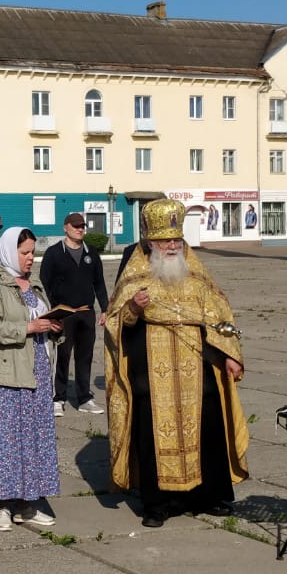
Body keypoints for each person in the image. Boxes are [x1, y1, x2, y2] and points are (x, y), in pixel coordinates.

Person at [104, 199, 249, 528]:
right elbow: (115, 320)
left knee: (208, 429)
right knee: (152, 435)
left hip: (198, 366)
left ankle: (209, 497)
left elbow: (219, 314)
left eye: (176, 240)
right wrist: (133, 309)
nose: (172, 246)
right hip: (151, 372)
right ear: (150, 242)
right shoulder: (135, 275)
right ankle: (158, 505)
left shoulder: (195, 273)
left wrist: (230, 354)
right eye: (164, 241)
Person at [0, 226, 63, 531]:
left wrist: (54, 327)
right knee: (4, 441)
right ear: (9, 252)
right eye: (24, 252)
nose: (30, 258)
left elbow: (42, 320)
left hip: (36, 372)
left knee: (33, 440)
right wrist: (28, 328)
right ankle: (1, 504)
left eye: (32, 252)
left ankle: (26, 503)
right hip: (5, 376)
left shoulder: (33, 285)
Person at [40, 212, 109, 417]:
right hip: (64, 313)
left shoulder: (91, 253)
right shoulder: (54, 253)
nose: (80, 229)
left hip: (86, 312)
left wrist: (105, 308)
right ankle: (58, 398)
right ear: (65, 227)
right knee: (62, 356)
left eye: (82, 226)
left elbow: (99, 282)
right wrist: (53, 308)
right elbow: (45, 280)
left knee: (85, 356)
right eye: (76, 226)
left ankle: (84, 398)